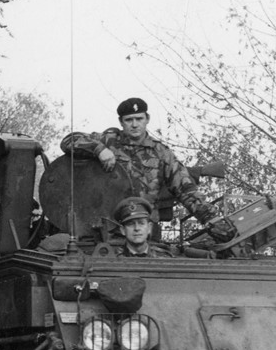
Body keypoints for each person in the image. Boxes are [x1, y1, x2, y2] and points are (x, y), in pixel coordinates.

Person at [61, 97, 236, 243]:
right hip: (106, 231)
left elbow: (185, 188)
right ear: (121, 122)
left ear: (147, 119)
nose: (134, 124)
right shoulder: (108, 141)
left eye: (139, 119)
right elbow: (68, 140)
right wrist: (99, 150)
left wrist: (211, 218)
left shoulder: (161, 153)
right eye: (129, 120)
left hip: (146, 232)